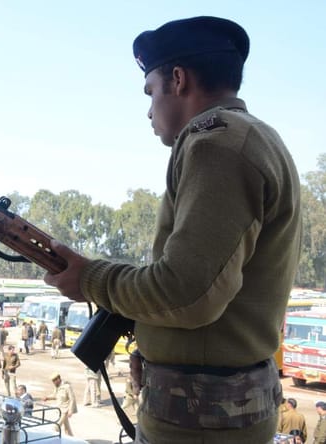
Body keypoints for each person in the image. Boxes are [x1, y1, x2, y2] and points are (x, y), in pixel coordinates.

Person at [44, 16, 301, 444]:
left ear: (178, 80)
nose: (149, 110)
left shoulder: (218, 143)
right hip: (206, 414)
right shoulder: (247, 137)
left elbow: (187, 293)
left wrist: (90, 279)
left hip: (201, 424)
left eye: (151, 91)